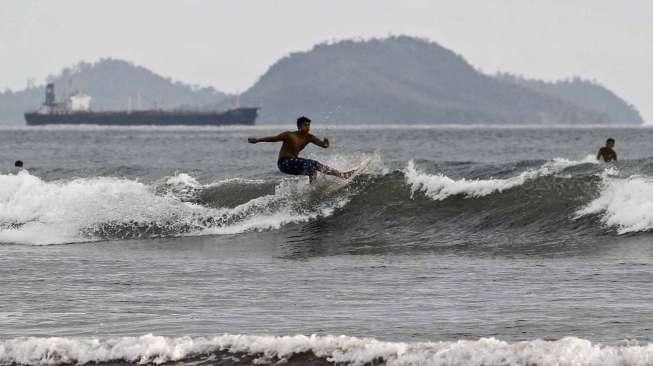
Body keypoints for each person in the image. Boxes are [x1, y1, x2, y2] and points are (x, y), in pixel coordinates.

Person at [248, 116, 354, 183]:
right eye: (305, 125)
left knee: (312, 171)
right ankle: (343, 175)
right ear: (299, 126)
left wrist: (326, 143)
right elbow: (273, 139)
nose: (308, 127)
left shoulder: (309, 137)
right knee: (314, 163)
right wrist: (258, 140)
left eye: (309, 125)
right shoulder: (289, 135)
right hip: (284, 163)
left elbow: (323, 145)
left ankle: (313, 192)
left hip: (294, 163)